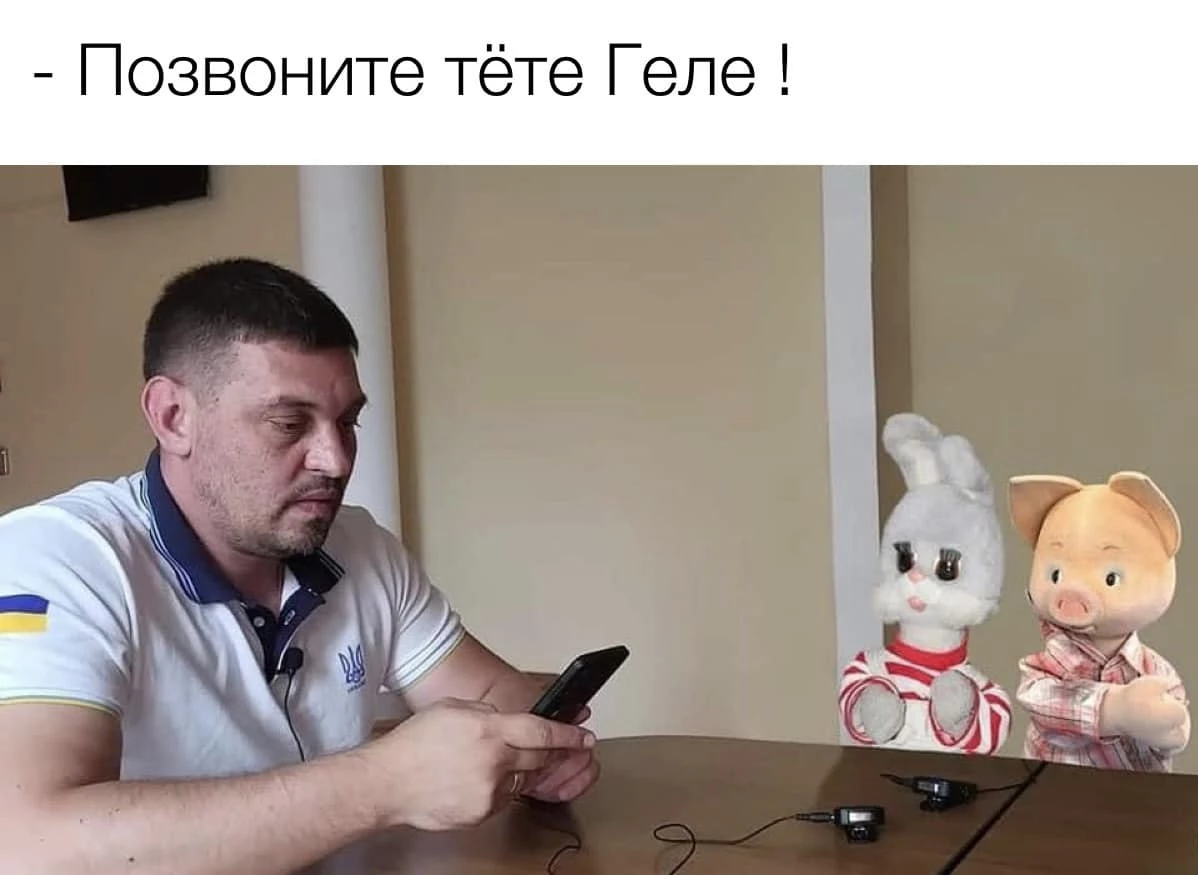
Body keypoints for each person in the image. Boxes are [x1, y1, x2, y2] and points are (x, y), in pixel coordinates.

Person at [0, 257, 600, 875]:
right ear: (174, 417)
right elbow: (26, 845)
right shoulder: (55, 559)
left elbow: (487, 694)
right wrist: (384, 784)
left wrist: (536, 740)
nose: (335, 460)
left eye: (347, 422)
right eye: (289, 423)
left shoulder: (359, 546)